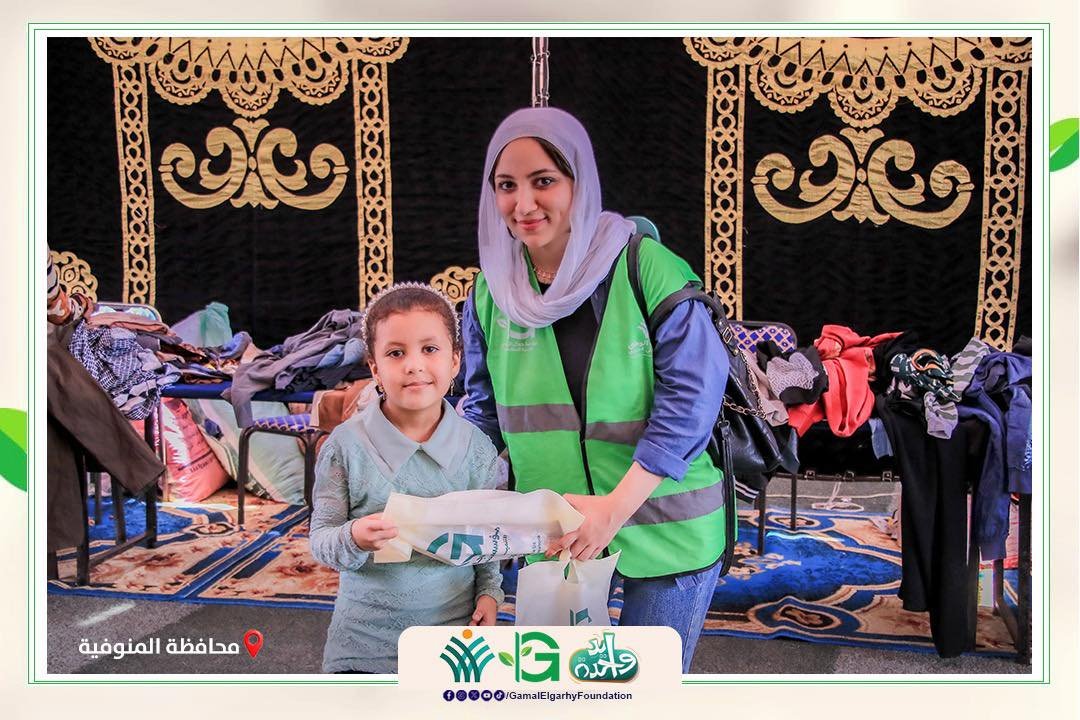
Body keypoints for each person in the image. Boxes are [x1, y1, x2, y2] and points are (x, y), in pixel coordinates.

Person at [461, 107, 729, 672]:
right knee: (562, 694)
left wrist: (612, 511)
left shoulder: (648, 268)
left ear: (579, 183)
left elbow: (691, 405)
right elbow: (482, 418)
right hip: (554, 540)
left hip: (666, 532)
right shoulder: (491, 293)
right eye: (506, 186)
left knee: (641, 696)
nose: (523, 204)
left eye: (543, 181)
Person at [309, 283, 505, 674]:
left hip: (453, 645)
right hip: (362, 646)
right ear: (374, 368)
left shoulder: (478, 450)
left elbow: (488, 539)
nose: (413, 365)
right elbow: (321, 541)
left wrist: (489, 593)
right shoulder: (345, 447)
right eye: (396, 353)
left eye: (429, 349)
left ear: (455, 361)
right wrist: (354, 536)